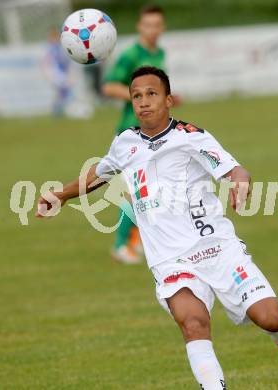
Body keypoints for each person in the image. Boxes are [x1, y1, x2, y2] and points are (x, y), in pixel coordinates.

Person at [36, 66, 278, 389]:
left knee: (269, 317)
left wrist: (240, 186)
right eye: (137, 96)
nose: (143, 102)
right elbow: (98, 174)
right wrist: (59, 195)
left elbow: (235, 170)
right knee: (194, 324)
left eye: (151, 94)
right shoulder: (125, 143)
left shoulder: (191, 137)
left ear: (168, 100)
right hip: (170, 260)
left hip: (217, 249)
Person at [102, 5, 177, 264]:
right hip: (131, 132)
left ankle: (140, 239)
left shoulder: (160, 53)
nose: (153, 30)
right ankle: (121, 245)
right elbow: (110, 86)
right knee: (136, 192)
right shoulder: (131, 54)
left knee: (154, 190)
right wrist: (141, 97)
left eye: (157, 25)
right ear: (139, 27)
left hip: (156, 132)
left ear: (162, 27)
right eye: (148, 25)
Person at [42, 27, 72, 116]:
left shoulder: (61, 47)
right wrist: (48, 74)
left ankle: (59, 109)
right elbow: (46, 62)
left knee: (63, 92)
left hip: (61, 73)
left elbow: (65, 61)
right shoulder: (49, 48)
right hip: (55, 73)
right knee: (61, 91)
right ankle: (57, 110)